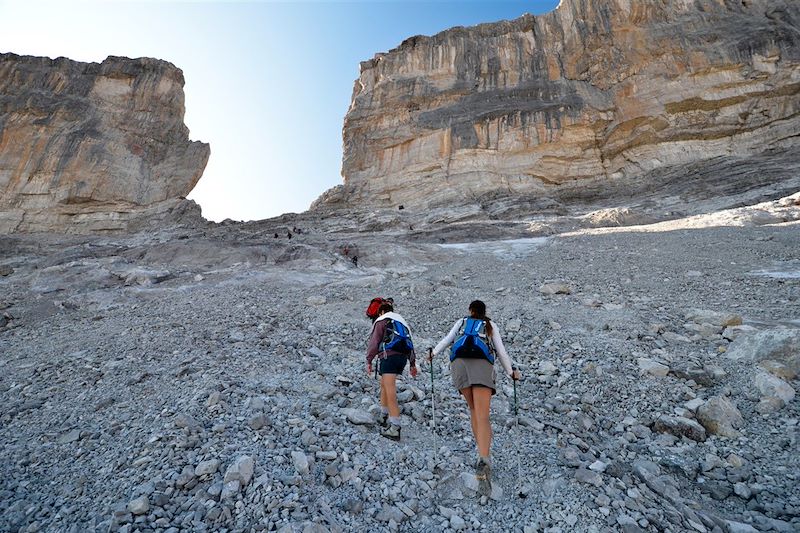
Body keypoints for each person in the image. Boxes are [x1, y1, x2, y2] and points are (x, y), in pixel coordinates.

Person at [429, 300, 521, 483]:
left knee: (473, 409)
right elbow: (501, 352)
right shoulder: (489, 325)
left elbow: (448, 340)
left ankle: (481, 451)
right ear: (484, 311)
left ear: (470, 310)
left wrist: (433, 353)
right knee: (483, 415)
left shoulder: (462, 322)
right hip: (481, 367)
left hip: (459, 366)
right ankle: (484, 458)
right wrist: (511, 372)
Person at [366, 302, 417, 441]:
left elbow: (374, 342)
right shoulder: (401, 321)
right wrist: (412, 364)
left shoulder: (382, 320)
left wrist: (369, 360)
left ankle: (395, 427)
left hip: (388, 356)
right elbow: (410, 343)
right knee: (384, 384)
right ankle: (383, 416)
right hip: (401, 359)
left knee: (390, 389)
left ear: (381, 311)